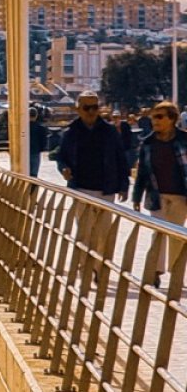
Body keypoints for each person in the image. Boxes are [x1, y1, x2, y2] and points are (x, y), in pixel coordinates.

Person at [58, 92, 130, 284]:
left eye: (94, 107)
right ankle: (85, 266)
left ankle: (99, 267)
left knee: (103, 233)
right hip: (81, 188)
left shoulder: (109, 131)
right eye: (86, 108)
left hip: (106, 188)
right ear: (78, 109)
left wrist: (124, 185)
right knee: (85, 232)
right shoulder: (70, 133)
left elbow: (120, 158)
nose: (91, 112)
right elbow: (61, 156)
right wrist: (63, 168)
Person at [131, 102, 187, 284]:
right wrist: (136, 197)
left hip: (180, 196)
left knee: (176, 236)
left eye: (160, 117)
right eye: (153, 117)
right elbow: (142, 173)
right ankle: (155, 270)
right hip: (156, 195)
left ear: (172, 119)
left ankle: (175, 273)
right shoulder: (148, 142)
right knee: (158, 234)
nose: (155, 121)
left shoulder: (184, 140)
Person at [28, 106, 51, 179]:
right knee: (34, 173)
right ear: (36, 115)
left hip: (24, 152)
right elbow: (44, 141)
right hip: (36, 151)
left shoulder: (23, 127)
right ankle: (33, 189)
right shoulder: (41, 128)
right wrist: (41, 149)